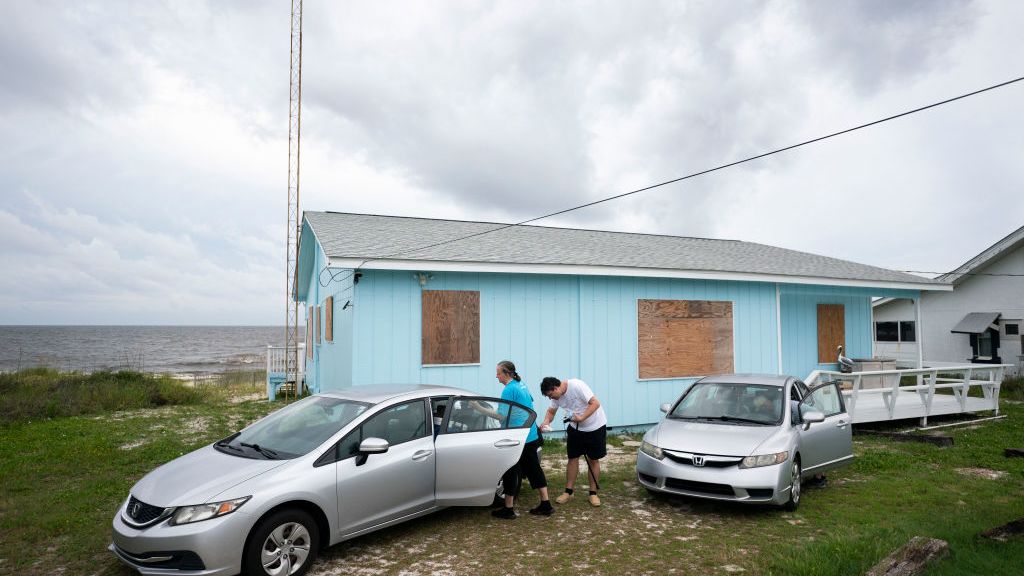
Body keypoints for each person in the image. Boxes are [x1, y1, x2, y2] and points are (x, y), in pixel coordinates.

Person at [489, 360, 553, 519]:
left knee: (510, 470)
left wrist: (481, 409)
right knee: (533, 469)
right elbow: (529, 405)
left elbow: (501, 415)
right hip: (530, 433)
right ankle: (545, 504)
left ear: (506, 373)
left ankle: (509, 509)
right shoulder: (521, 384)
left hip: (518, 436)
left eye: (498, 373)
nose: (496, 376)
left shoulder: (509, 390)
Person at [538, 376, 607, 507]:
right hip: (575, 428)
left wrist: (581, 418)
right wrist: (546, 422)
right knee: (572, 458)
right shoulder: (556, 396)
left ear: (555, 388)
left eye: (550, 395)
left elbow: (595, 403)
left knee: (593, 460)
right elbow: (551, 411)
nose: (551, 398)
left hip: (595, 427)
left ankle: (593, 493)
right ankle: (568, 492)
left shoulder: (577, 386)